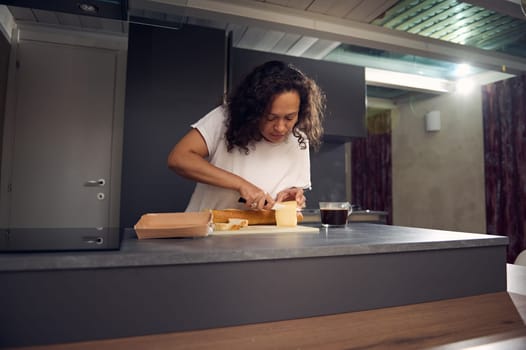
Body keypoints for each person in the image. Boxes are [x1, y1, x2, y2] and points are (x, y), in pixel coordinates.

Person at [167, 60, 325, 211]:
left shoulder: (299, 140)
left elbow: (289, 192)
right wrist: (241, 185)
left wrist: (291, 197)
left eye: (289, 118)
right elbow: (178, 159)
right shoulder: (225, 118)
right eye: (270, 118)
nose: (281, 127)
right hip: (207, 231)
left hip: (261, 235)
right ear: (253, 111)